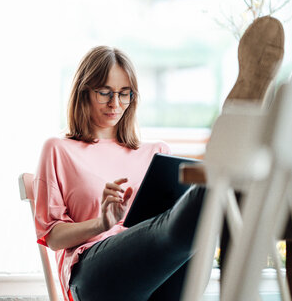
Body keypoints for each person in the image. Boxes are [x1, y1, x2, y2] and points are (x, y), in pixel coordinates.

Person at [33, 46, 206, 301]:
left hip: (158, 267)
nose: (115, 104)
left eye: (124, 94)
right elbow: (53, 237)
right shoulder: (58, 149)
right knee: (200, 203)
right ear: (84, 91)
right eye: (105, 93)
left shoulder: (156, 152)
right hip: (92, 269)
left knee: (197, 231)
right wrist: (102, 223)